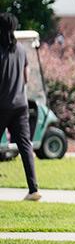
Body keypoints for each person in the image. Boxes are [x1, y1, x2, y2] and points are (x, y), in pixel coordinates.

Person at [0, 13, 41, 201]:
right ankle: (34, 190)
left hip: (2, 105)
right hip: (20, 105)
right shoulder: (22, 50)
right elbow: (26, 77)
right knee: (25, 146)